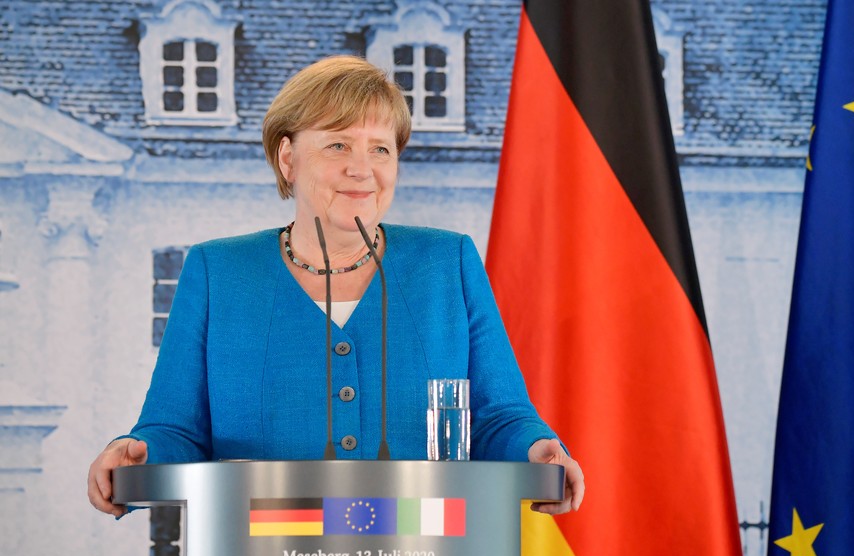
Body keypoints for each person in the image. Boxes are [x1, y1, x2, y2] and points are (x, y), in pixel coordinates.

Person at [87, 55, 583, 518]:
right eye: (338, 144)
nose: (361, 168)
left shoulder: (447, 262)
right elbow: (175, 429)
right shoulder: (217, 272)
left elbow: (498, 415)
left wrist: (537, 448)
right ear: (288, 158)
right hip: (266, 554)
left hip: (423, 550)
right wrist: (134, 455)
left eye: (380, 149)